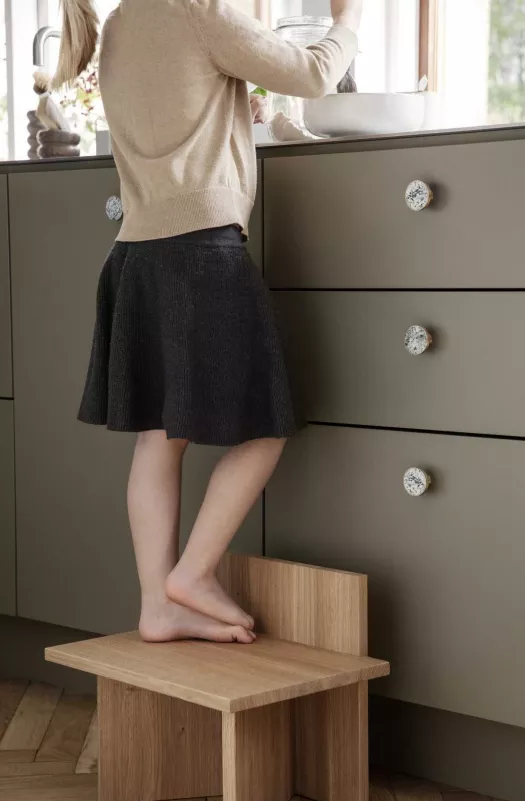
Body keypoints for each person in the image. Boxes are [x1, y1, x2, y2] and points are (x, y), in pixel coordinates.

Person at [53, 0, 362, 645]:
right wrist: (349, 18)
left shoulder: (122, 22)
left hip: (135, 255)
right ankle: (193, 574)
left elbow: (177, 114)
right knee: (266, 429)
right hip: (199, 251)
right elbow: (312, 74)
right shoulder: (197, 9)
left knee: (158, 440)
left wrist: (238, 113)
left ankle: (157, 607)